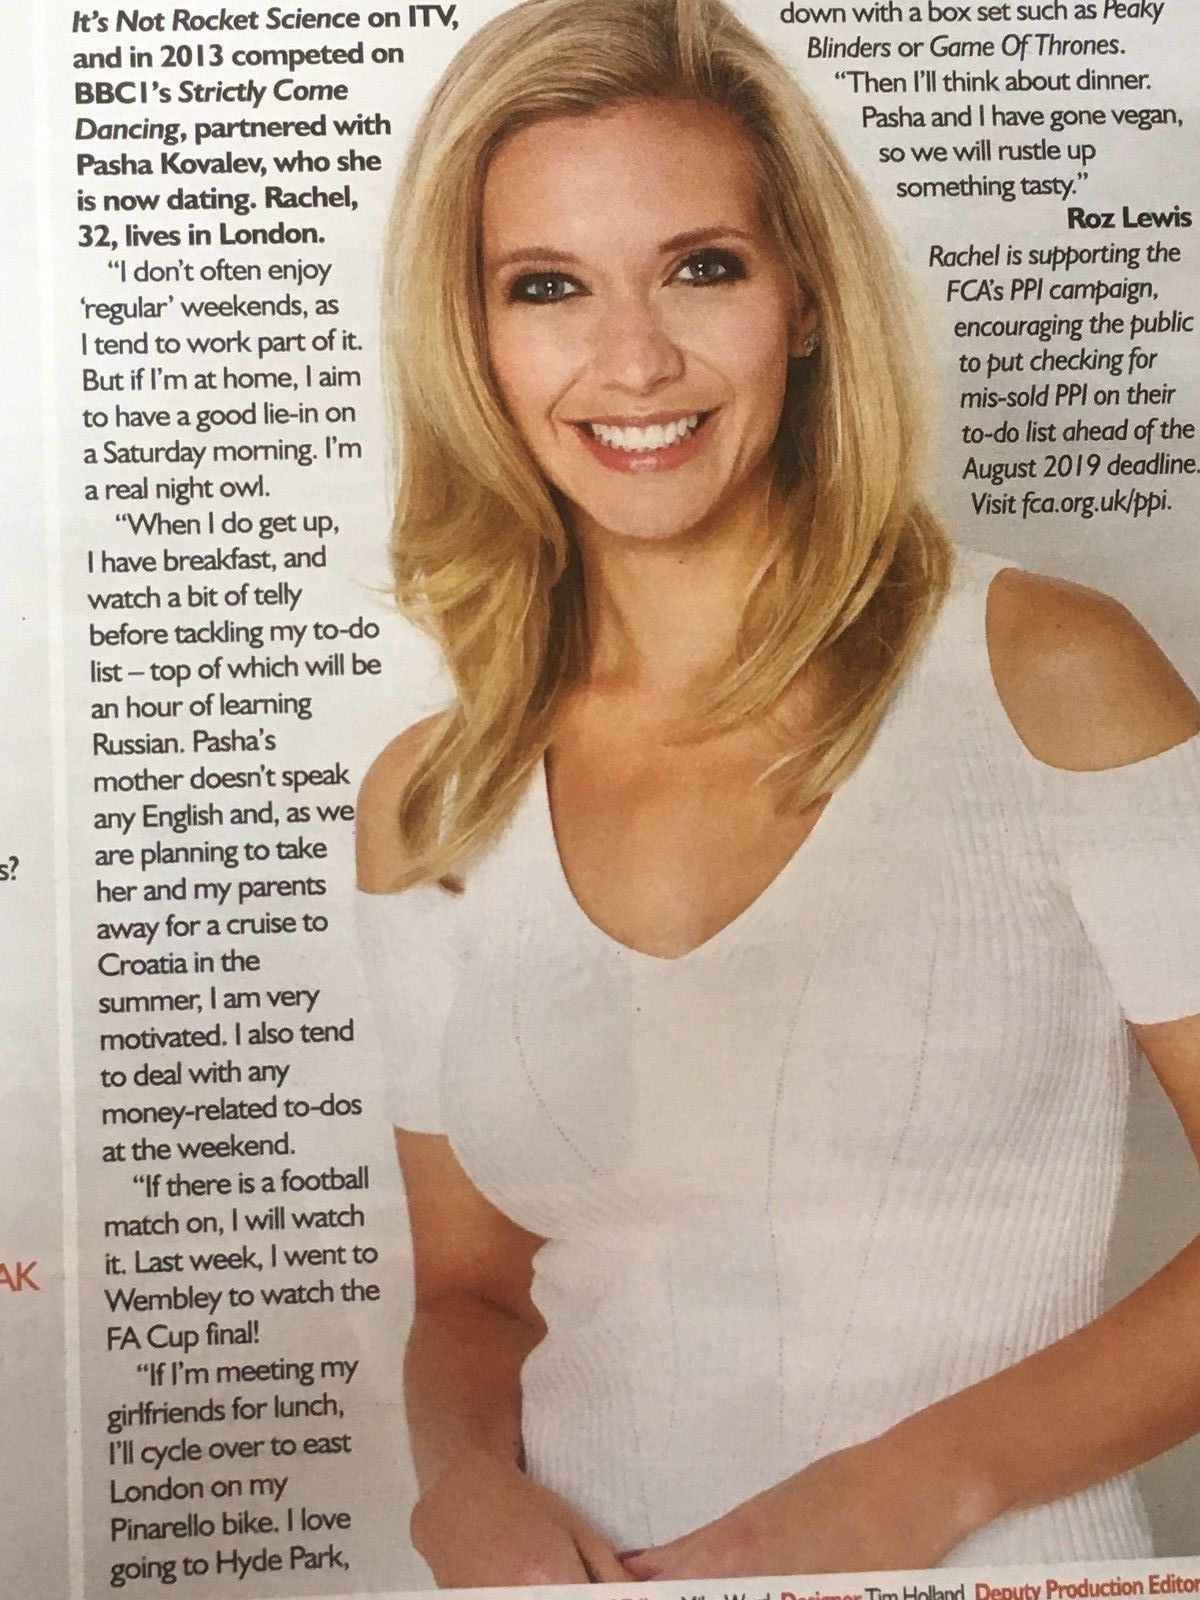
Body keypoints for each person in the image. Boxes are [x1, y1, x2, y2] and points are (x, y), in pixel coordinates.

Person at [355, 0, 1200, 1583]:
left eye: (702, 267)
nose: (634, 360)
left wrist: (912, 1487)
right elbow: (470, 1292)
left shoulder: (1050, 675)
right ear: (472, 337)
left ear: (803, 296)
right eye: (548, 286)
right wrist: (457, 1485)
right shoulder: (434, 799)